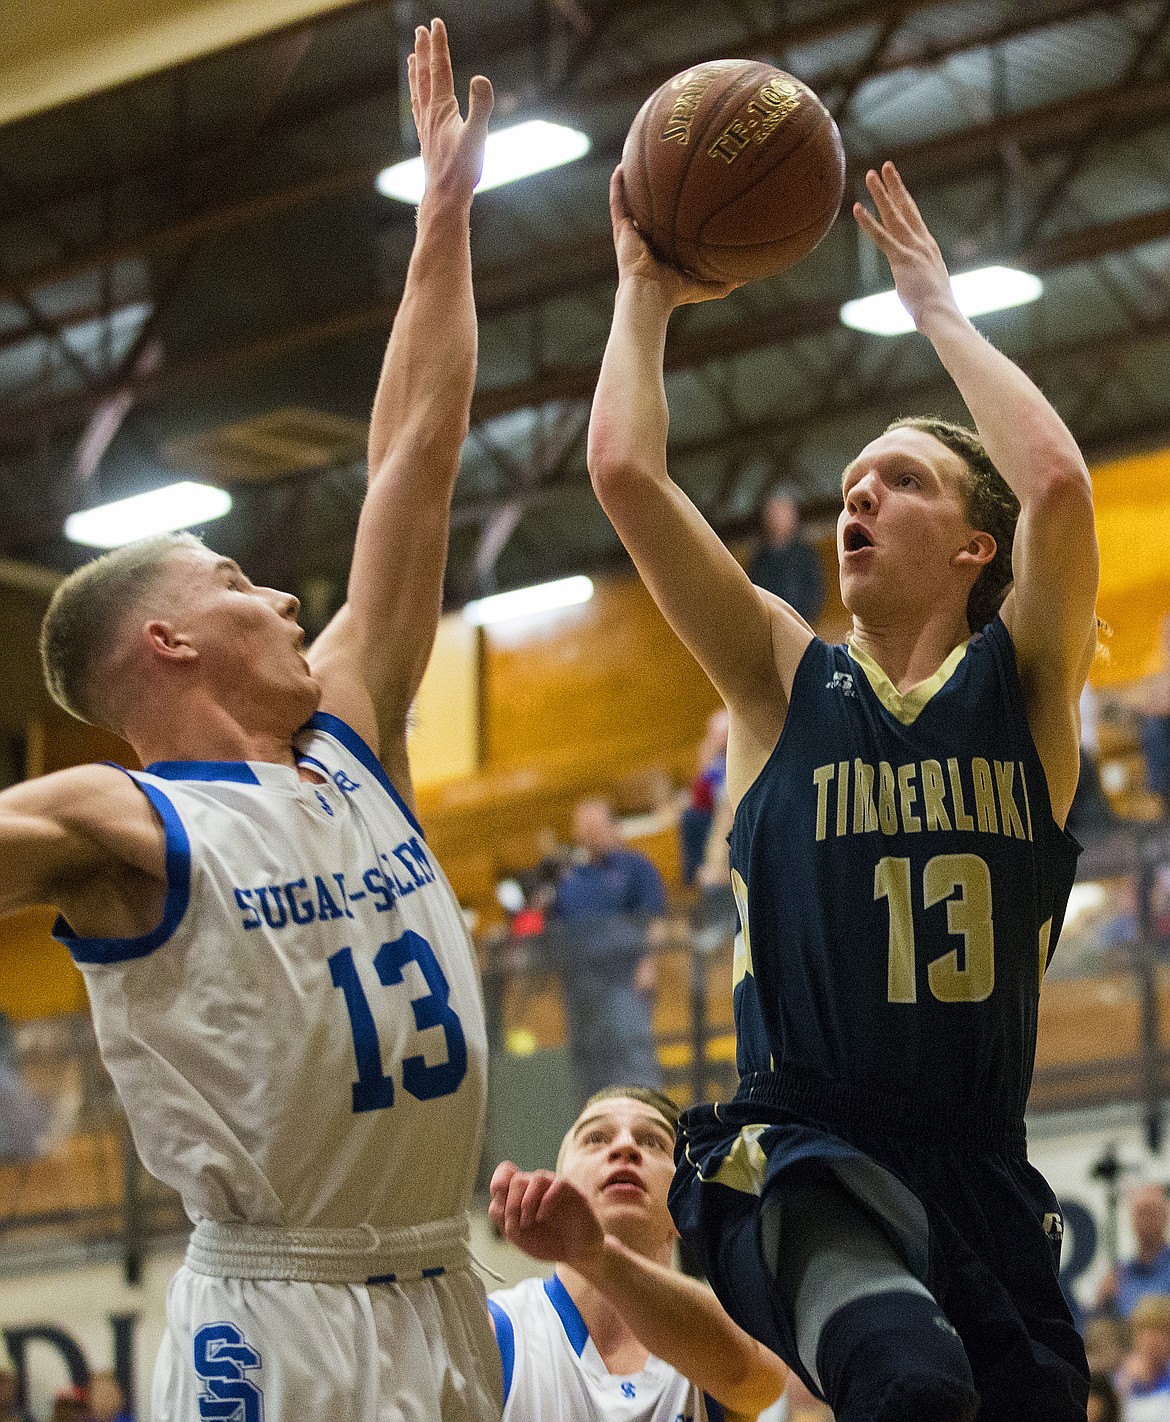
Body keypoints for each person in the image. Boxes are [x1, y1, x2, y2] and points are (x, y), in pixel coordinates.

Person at [0, 21, 499, 1422]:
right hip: (276, 1312)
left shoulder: (345, 725)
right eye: (233, 580)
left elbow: (414, 448)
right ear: (165, 639)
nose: (279, 591)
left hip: (442, 1287)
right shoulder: (119, 824)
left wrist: (443, 218)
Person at [587, 157, 1098, 1421]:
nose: (858, 494)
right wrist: (642, 292)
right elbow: (626, 477)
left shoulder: (1026, 692)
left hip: (983, 1166)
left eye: (904, 479)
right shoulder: (777, 676)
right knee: (906, 1381)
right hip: (804, 1155)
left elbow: (1060, 487)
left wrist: (937, 305)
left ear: (978, 547)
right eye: (852, 483)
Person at [487, 1086, 789, 1421]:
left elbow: (755, 1383)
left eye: (652, 1141)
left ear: (685, 1203)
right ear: (560, 1180)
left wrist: (596, 1256)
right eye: (596, 1138)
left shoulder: (729, 1330)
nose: (625, 1146)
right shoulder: (496, 1328)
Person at [549, 799, 668, 1108]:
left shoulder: (635, 867)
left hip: (624, 982)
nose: (590, 833)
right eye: (584, 827)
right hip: (582, 992)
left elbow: (656, 920)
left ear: (611, 826)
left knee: (634, 1064)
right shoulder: (571, 881)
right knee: (590, 1075)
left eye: (595, 825)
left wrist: (648, 964)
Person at [747, 487, 825, 625]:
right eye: (775, 513)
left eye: (785, 513)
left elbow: (816, 590)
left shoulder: (806, 554)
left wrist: (804, 620)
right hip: (771, 625)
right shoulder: (760, 559)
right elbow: (755, 594)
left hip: (803, 624)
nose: (780, 518)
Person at [1099, 1185, 1170, 1319]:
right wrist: (1104, 1300)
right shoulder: (1119, 1274)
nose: (1145, 1221)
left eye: (1150, 1212)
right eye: (1140, 1213)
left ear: (1164, 1217)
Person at [680, 709, 729, 885]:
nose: (724, 740)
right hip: (714, 819)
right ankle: (698, 874)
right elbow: (699, 799)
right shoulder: (713, 765)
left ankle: (717, 868)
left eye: (727, 734)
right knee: (690, 818)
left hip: (732, 815)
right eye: (720, 735)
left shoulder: (742, 757)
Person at [1117, 1293, 1170, 1419]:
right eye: (1145, 1332)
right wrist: (1124, 1386)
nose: (1152, 1341)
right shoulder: (1121, 1379)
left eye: (1161, 1332)